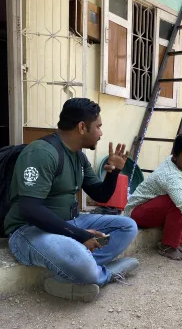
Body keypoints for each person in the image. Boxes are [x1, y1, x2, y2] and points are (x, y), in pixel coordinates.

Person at [4, 98, 139, 302]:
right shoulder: (41, 153)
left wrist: (114, 172)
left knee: (128, 226)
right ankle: (101, 274)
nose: (101, 133)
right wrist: (79, 234)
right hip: (28, 230)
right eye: (99, 127)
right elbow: (30, 210)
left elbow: (100, 195)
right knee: (80, 256)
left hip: (70, 222)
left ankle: (80, 271)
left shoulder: (78, 157)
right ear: (82, 127)